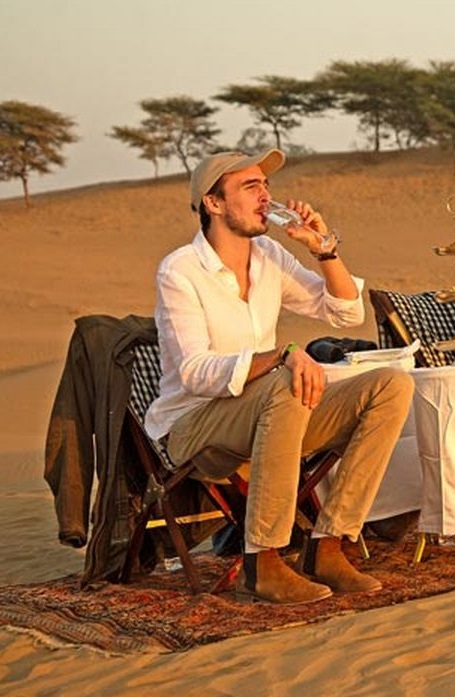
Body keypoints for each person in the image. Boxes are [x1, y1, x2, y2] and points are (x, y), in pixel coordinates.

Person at [146, 149, 415, 603]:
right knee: (286, 381)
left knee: (391, 385)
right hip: (196, 427)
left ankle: (329, 545)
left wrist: (323, 248)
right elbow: (194, 373)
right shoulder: (180, 271)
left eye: (264, 186)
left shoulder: (268, 255)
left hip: (274, 417)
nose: (265, 196)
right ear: (213, 204)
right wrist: (281, 356)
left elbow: (344, 311)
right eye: (250, 187)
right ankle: (263, 561)